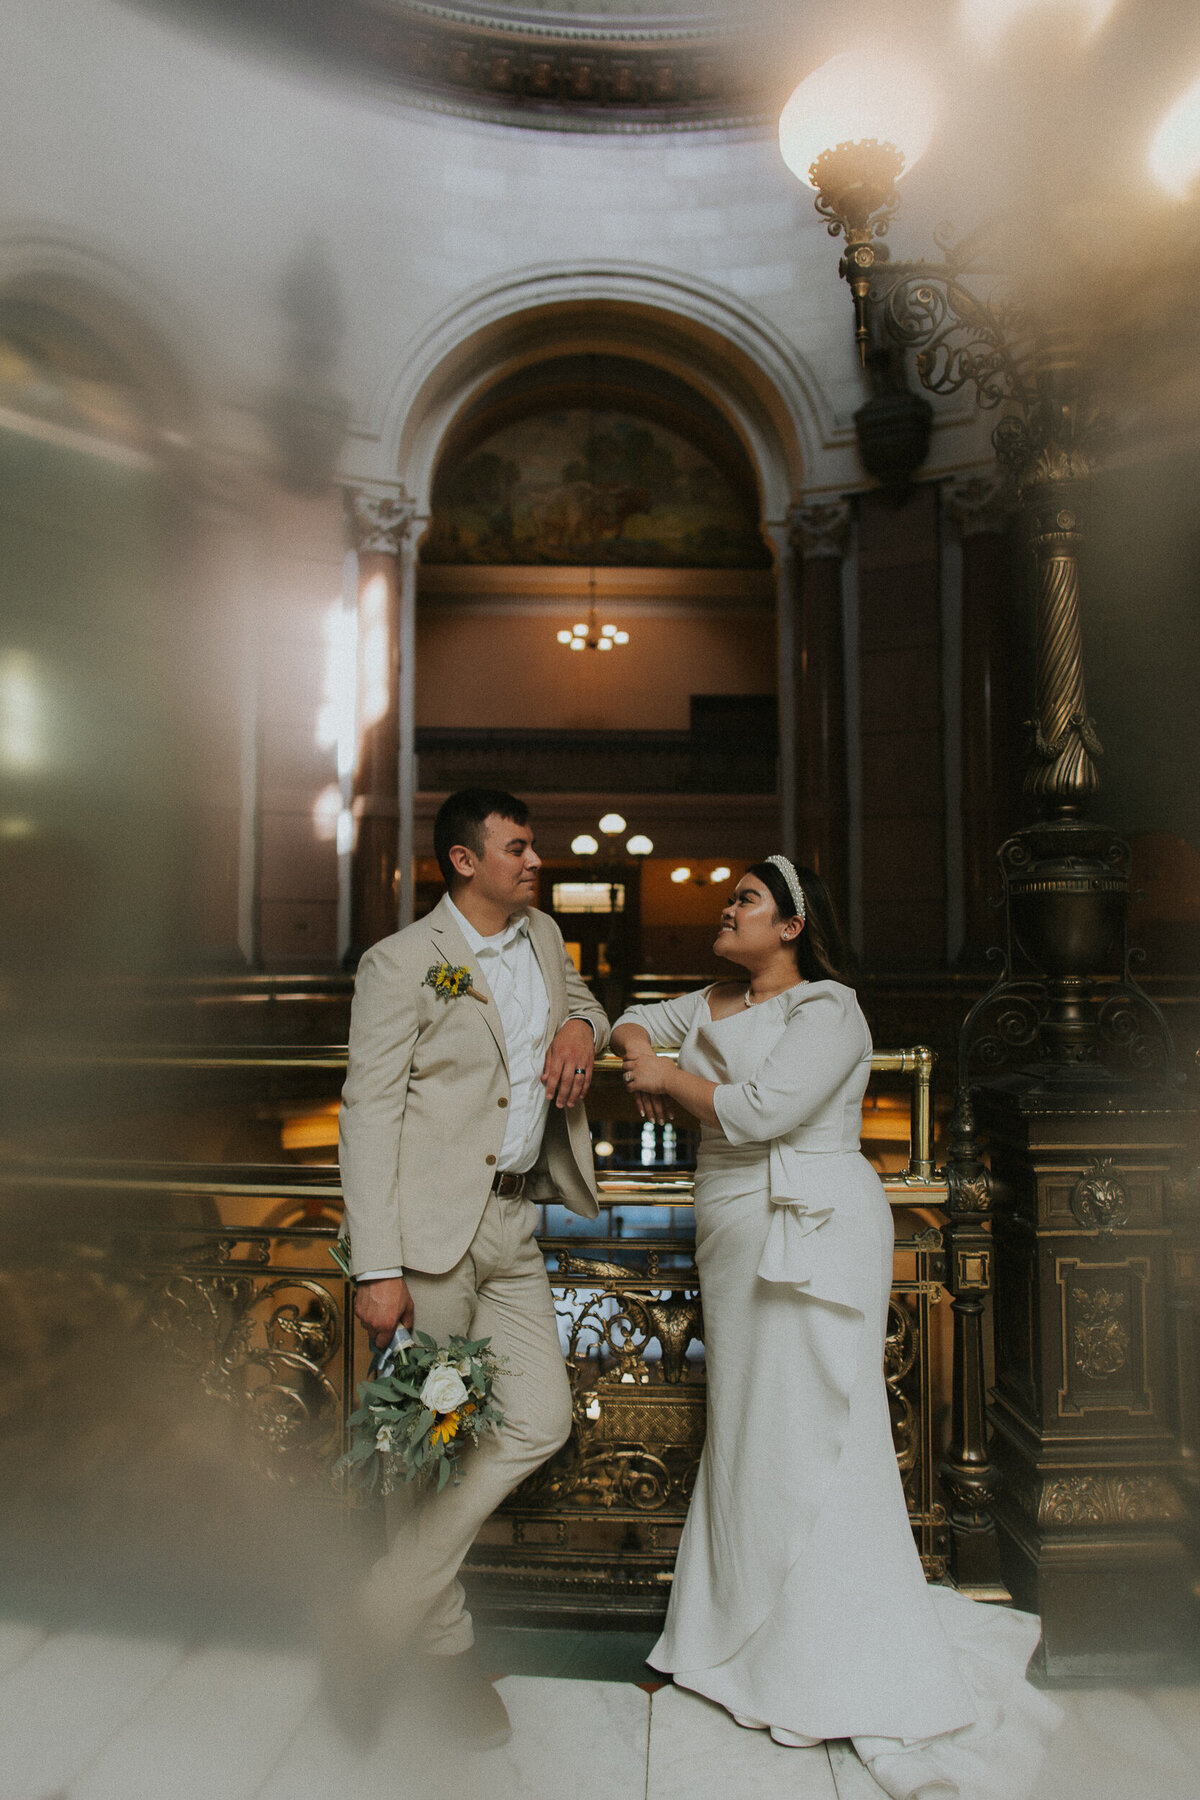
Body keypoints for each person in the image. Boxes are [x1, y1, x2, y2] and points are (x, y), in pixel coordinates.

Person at [610, 857, 1059, 1800]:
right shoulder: (709, 1001)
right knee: (744, 1433)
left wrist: (659, 1078)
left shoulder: (829, 1009)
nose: (726, 910)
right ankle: (721, 1636)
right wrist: (631, 1046)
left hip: (812, 1226)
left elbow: (763, 1111)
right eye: (731, 897)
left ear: (793, 926)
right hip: (731, 1224)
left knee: (819, 1431)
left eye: (747, 901)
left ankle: (826, 1652)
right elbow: (641, 1020)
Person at [336, 787, 610, 1746]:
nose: (536, 861)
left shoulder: (541, 937)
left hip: (515, 1227)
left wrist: (583, 1028)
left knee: (540, 1416)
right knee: (425, 1448)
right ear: (464, 861)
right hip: (426, 1246)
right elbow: (366, 1115)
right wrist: (378, 1268)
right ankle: (441, 1648)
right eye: (519, 848)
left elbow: (579, 1002)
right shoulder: (402, 964)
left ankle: (374, 1611)